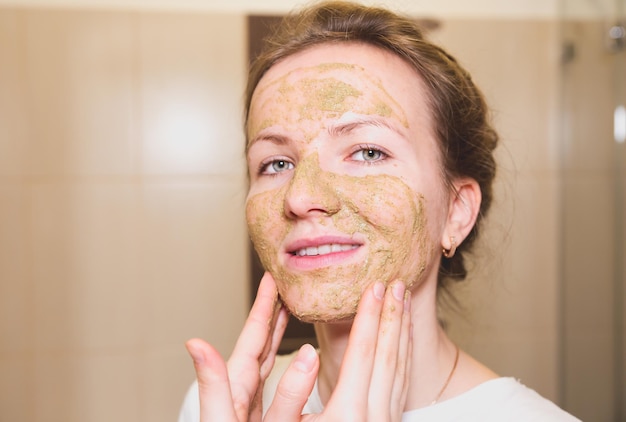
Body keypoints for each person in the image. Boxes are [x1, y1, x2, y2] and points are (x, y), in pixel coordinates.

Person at [179, 1, 581, 421]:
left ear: (457, 212)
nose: (299, 197)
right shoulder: (221, 407)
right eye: (276, 163)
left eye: (368, 152)